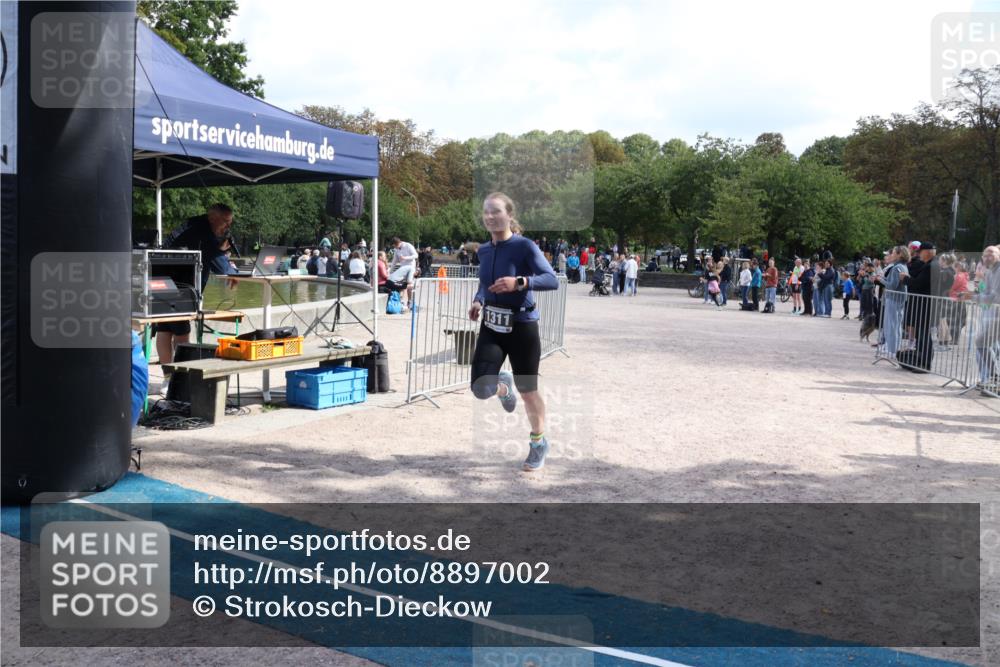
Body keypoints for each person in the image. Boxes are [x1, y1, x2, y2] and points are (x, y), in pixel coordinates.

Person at [469, 193, 559, 472]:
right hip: (492, 325)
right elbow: (486, 284)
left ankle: (538, 442)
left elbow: (551, 279)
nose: (490, 216)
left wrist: (519, 282)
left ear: (509, 215)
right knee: (481, 387)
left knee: (529, 391)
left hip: (522, 326)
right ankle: (501, 386)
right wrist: (478, 300)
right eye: (486, 212)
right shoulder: (484, 250)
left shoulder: (524, 247)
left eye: (495, 211)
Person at [156, 203, 239, 367]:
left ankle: (168, 378)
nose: (228, 227)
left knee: (164, 329)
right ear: (213, 218)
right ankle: (179, 378)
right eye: (226, 222)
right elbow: (220, 266)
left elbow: (210, 255)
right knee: (181, 333)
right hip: (180, 288)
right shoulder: (204, 232)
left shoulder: (193, 224)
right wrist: (233, 272)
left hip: (163, 281)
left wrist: (221, 251)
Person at [959, 246, 1000, 395]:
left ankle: (995, 377)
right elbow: (987, 293)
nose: (987, 258)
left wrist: (973, 297)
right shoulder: (990, 272)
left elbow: (995, 298)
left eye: (991, 255)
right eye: (985, 256)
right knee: (984, 343)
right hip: (992, 314)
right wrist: (972, 293)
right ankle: (994, 377)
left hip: (997, 314)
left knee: (983, 342)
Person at [900, 242, 938, 372]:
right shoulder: (930, 265)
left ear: (927, 252)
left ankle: (924, 364)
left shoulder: (931, 266)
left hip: (926, 306)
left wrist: (905, 279)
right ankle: (921, 361)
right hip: (925, 305)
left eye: (920, 252)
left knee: (924, 335)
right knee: (922, 335)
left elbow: (918, 283)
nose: (919, 255)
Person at [876, 246, 910, 357]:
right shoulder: (902, 266)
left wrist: (880, 280)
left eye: (894, 253)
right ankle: (893, 348)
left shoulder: (897, 267)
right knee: (895, 325)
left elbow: (892, 285)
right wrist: (883, 279)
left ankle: (892, 350)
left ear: (900, 254)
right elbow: (892, 282)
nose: (891, 255)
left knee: (892, 325)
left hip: (894, 299)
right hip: (897, 299)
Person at [389, 236, 418, 309]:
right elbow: (394, 261)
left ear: (397, 243)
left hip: (410, 267)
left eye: (395, 246)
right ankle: (401, 301)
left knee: (408, 284)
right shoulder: (396, 249)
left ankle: (410, 301)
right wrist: (390, 271)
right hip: (403, 268)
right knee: (401, 285)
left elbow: (416, 255)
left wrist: (405, 258)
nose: (395, 248)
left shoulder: (408, 245)